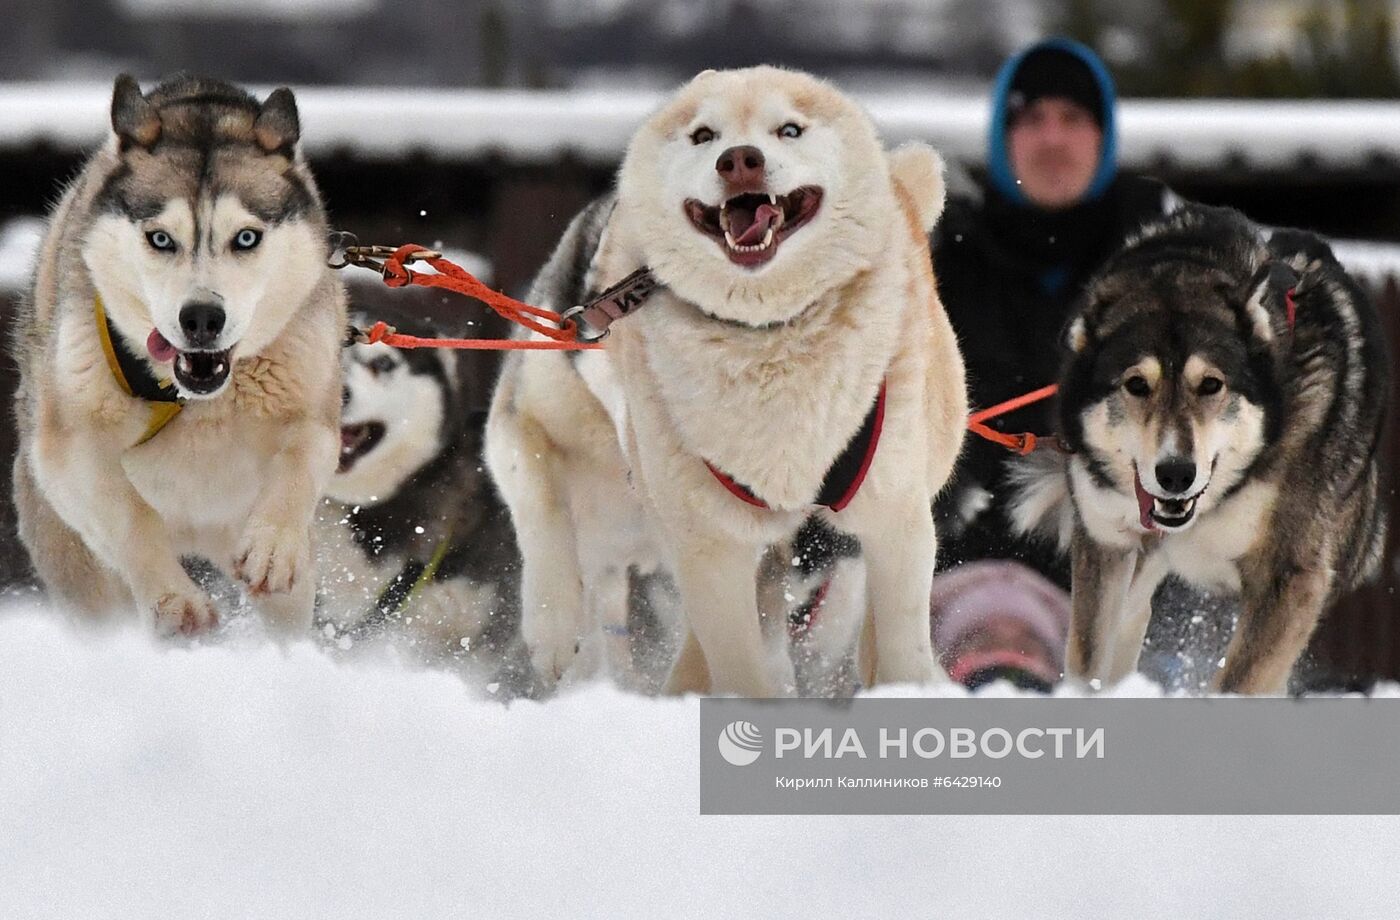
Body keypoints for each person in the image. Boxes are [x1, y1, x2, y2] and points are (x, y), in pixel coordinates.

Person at [929, 37, 1177, 689]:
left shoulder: (1162, 256)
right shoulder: (943, 251)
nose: (1052, 139)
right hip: (949, 565)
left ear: (1103, 135)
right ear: (1001, 138)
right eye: (1032, 119)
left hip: (1115, 569)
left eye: (1072, 119)